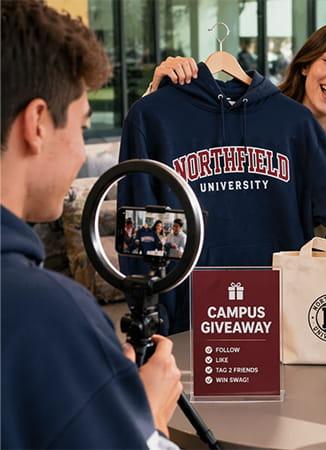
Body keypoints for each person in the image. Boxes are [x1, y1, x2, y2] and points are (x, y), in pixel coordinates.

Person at [0, 1, 182, 448]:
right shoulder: (46, 316)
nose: (83, 153)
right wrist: (149, 418)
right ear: (37, 123)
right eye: (83, 126)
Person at [148, 21, 326, 251]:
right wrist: (155, 98)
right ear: (305, 65)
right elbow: (160, 149)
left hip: (315, 289)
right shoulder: (247, 116)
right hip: (216, 273)